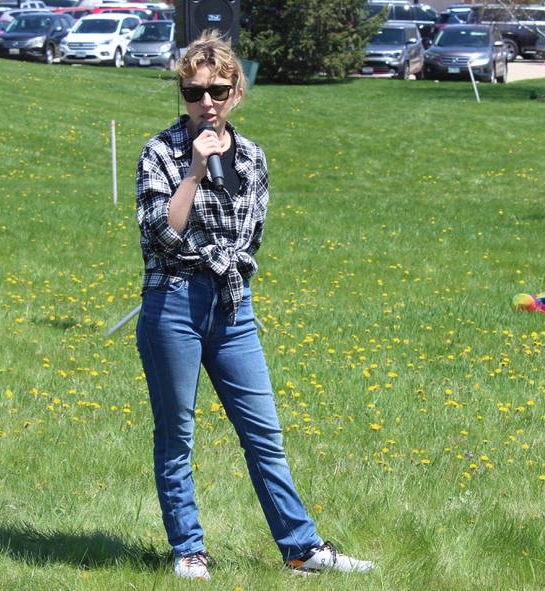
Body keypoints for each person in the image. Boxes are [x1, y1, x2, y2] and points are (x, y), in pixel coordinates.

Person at [134, 30, 374, 581]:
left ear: (237, 91)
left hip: (233, 308)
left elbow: (250, 240)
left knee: (264, 433)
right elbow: (161, 235)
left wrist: (218, 261)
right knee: (177, 434)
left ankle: (301, 548)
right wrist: (194, 171)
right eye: (194, 93)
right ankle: (189, 549)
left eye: (218, 90)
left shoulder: (254, 158)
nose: (207, 103)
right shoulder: (161, 152)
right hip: (172, 304)